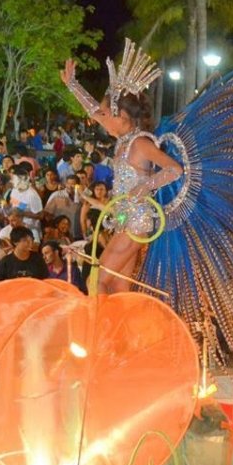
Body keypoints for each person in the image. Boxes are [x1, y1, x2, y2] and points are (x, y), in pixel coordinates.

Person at [61, 43, 182, 294]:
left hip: (137, 221)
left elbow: (174, 170)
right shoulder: (125, 140)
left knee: (98, 281)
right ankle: (121, 331)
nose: (101, 118)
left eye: (107, 113)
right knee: (117, 288)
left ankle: (100, 330)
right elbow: (94, 111)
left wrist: (144, 186)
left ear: (123, 116)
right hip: (125, 218)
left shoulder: (139, 143)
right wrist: (73, 85)